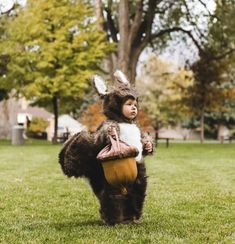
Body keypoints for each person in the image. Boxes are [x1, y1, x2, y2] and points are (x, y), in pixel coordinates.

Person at [59, 70, 154, 225]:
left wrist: (147, 144)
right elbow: (98, 141)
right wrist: (107, 134)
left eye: (135, 105)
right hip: (114, 167)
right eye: (128, 104)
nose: (134, 108)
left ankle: (131, 215)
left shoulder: (133, 127)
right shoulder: (110, 125)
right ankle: (113, 217)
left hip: (136, 166)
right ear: (116, 106)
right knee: (114, 193)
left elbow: (139, 141)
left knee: (137, 190)